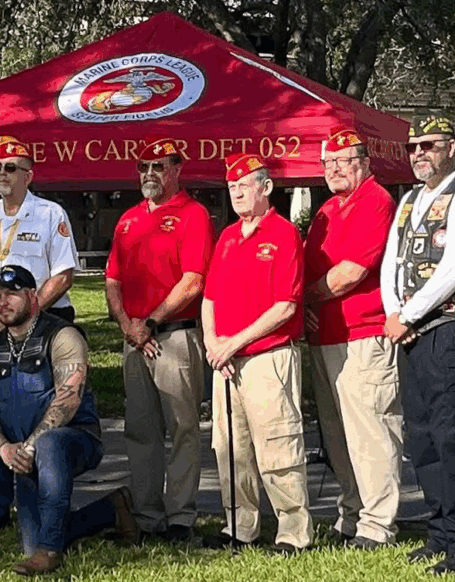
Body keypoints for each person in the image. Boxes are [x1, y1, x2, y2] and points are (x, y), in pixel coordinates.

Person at [0, 265, 137, 575]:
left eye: (11, 294)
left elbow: (68, 401)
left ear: (33, 296)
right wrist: (5, 450)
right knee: (30, 542)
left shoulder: (62, 335)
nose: (3, 302)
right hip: (24, 455)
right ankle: (112, 509)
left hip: (72, 439)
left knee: (50, 444)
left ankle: (50, 552)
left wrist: (30, 447)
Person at [0, 135, 79, 534]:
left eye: (10, 168)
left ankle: (44, 503)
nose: (2, 174)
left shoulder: (49, 213)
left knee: (41, 412)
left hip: (41, 325)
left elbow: (63, 274)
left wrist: (27, 312)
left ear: (29, 174)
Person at [104, 137, 214, 544]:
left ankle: (181, 516)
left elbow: (193, 280)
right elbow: (112, 279)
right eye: (143, 167)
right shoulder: (128, 219)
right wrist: (127, 326)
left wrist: (151, 320)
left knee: (183, 428)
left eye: (159, 166)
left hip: (174, 336)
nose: (149, 174)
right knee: (140, 431)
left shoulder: (193, 214)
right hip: (135, 339)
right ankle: (147, 516)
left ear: (177, 169)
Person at [202, 154, 313, 555]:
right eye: (231, 187)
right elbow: (209, 297)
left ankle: (294, 532)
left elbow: (286, 306)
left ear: (266, 188)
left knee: (278, 446)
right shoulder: (228, 236)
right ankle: (240, 526)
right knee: (230, 448)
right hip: (226, 361)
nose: (236, 193)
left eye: (244, 185)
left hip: (268, 355)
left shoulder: (284, 234)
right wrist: (213, 343)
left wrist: (233, 343)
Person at [380, 114, 455, 574]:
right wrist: (394, 312)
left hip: (448, 331)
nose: (419, 154)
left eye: (429, 145)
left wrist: (410, 314)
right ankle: (439, 532)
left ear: (450, 148)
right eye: (413, 147)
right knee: (422, 436)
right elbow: (391, 262)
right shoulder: (409, 199)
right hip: (411, 333)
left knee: (454, 438)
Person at [304, 127, 402, 551]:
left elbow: (351, 272)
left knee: (371, 431)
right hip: (324, 334)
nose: (334, 169)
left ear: (364, 162)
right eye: (328, 162)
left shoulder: (376, 200)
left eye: (343, 161)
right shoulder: (327, 209)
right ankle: (352, 513)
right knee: (337, 432)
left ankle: (378, 524)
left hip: (363, 332)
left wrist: (303, 298)